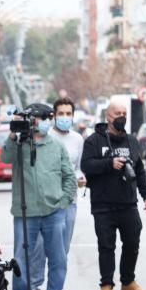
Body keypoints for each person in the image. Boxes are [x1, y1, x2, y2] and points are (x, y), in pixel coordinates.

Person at [0, 103, 76, 290]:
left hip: (54, 211)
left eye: (46, 118)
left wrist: (64, 201)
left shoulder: (56, 145)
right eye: (40, 119)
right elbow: (4, 158)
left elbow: (69, 175)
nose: (44, 123)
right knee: (22, 256)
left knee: (58, 257)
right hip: (25, 212)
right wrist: (13, 136)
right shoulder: (20, 144)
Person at [81, 102, 146, 290]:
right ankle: (106, 286)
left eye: (124, 113)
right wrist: (109, 163)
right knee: (106, 246)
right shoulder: (94, 141)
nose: (121, 116)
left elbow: (139, 169)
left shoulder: (131, 141)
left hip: (128, 203)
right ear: (107, 116)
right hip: (103, 204)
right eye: (117, 113)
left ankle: (128, 281)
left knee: (132, 242)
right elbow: (86, 165)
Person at [50, 97, 85, 259]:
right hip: (48, 202)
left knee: (63, 250)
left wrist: (81, 178)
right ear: (54, 115)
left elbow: (78, 168)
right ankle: (40, 282)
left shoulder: (77, 139)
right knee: (46, 248)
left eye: (68, 114)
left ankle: (58, 283)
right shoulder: (46, 136)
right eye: (61, 113)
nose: (65, 117)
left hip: (70, 201)